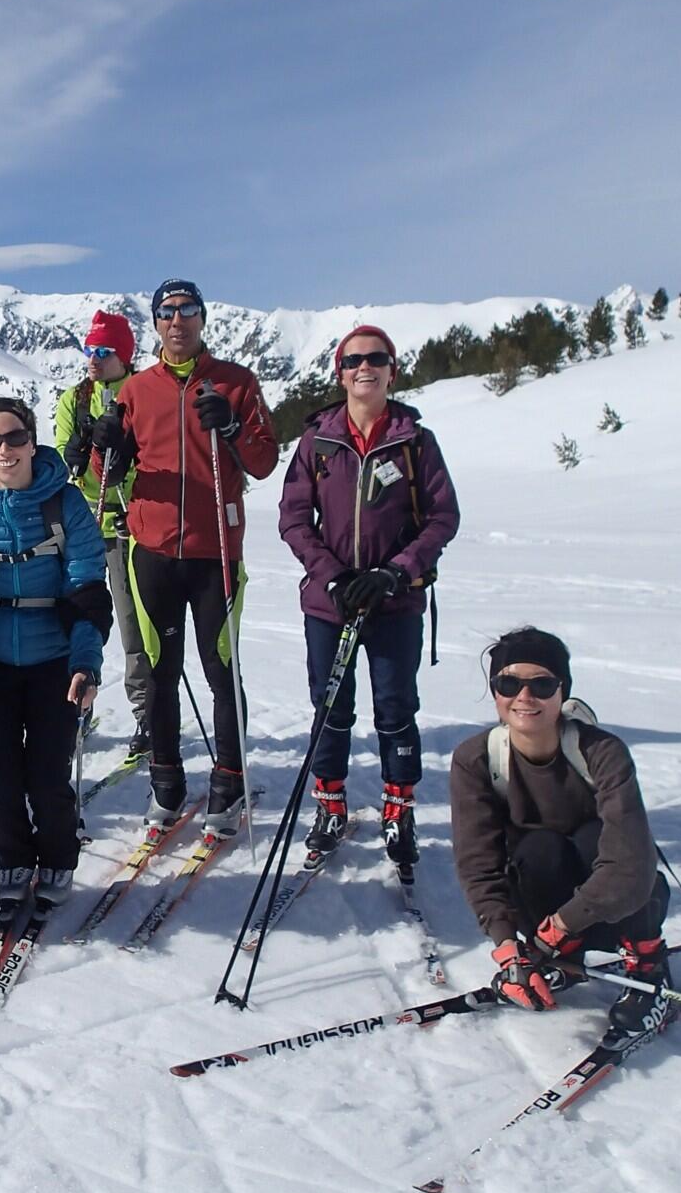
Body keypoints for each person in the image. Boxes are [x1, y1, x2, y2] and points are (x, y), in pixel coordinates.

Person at [96, 279, 277, 831]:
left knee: (221, 668)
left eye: (187, 310)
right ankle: (167, 781)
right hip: (152, 549)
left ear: (202, 318)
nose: (178, 320)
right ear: (155, 322)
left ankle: (229, 779)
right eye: (167, 311)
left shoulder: (235, 382)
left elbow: (265, 460)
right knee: (159, 671)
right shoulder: (137, 390)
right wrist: (106, 443)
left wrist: (232, 426)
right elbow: (108, 475)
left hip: (215, 550)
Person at [275, 323, 459, 866]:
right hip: (329, 603)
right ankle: (330, 805)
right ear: (340, 373)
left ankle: (398, 809)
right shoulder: (318, 441)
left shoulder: (415, 441)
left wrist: (395, 573)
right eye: (353, 360)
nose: (365, 367)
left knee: (396, 707)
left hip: (393, 601)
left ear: (391, 371)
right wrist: (332, 575)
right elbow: (293, 519)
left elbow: (442, 517)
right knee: (331, 707)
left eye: (376, 359)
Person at [448, 628, 672, 1040]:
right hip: (542, 905)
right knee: (538, 848)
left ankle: (647, 962)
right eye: (509, 684)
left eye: (542, 685)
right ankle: (562, 960)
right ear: (494, 690)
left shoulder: (602, 752)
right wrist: (508, 947)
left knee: (594, 840)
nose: (524, 697)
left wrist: (558, 929)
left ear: (562, 690)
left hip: (619, 900)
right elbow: (478, 864)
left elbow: (630, 866)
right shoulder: (475, 759)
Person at [0, 397, 108, 915]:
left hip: (55, 661)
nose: (4, 450)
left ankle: (57, 857)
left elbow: (87, 588)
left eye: (14, 438)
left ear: (33, 442)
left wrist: (85, 664)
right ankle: (12, 858)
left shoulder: (66, 504)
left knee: (48, 777)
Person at [53, 309, 151, 760]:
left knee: (134, 627)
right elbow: (63, 456)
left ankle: (147, 713)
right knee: (78, 617)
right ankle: (77, 704)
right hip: (85, 525)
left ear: (123, 355)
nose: (93, 358)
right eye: (89, 349)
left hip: (129, 524)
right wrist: (75, 453)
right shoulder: (75, 399)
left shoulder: (143, 395)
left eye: (104, 350)